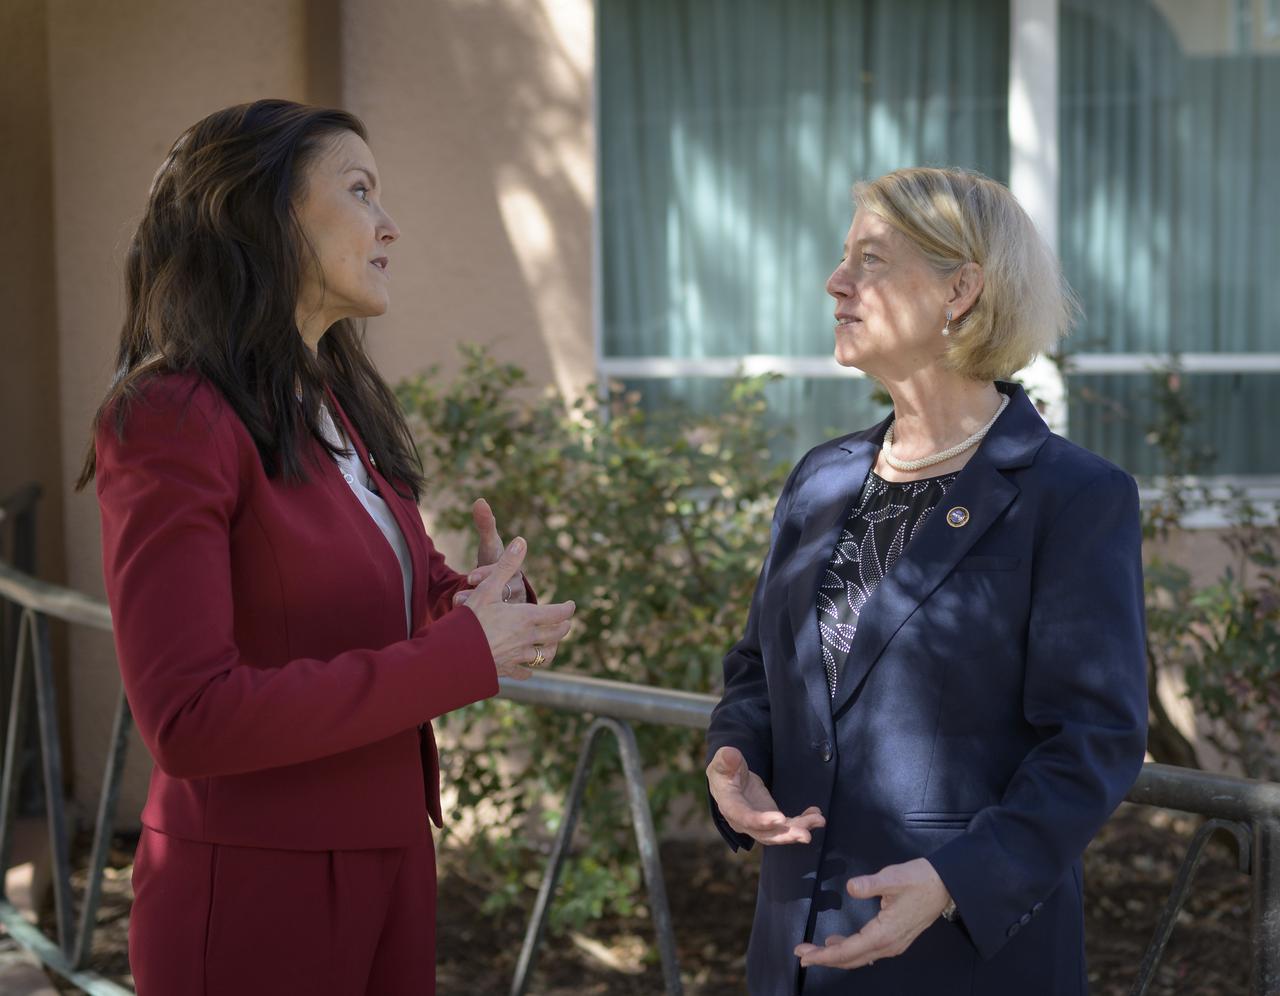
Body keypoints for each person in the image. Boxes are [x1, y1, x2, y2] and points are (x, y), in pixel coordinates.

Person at [75, 99, 576, 995]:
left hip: (390, 861)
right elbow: (188, 719)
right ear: (264, 215)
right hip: (257, 892)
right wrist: (464, 652)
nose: (391, 226)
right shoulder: (172, 417)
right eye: (359, 191)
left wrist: (477, 603)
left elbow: (383, 594)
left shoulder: (332, 404)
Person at [705, 167, 1148, 995]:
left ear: (962, 288)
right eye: (844, 259)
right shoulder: (820, 478)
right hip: (794, 947)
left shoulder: (1074, 496)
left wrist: (953, 881)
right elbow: (758, 670)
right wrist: (733, 754)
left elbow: (1096, 742)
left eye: (869, 259)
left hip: (963, 956)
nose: (836, 281)